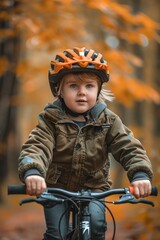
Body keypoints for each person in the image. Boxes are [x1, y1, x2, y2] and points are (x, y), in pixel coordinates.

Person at [18, 47, 153, 240]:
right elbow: (37, 145)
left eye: (89, 86)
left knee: (97, 228)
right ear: (59, 90)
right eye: (73, 86)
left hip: (95, 187)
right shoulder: (50, 120)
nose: (82, 92)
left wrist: (140, 174)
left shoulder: (108, 121)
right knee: (57, 234)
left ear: (98, 90)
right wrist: (33, 172)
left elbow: (128, 147)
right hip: (56, 188)